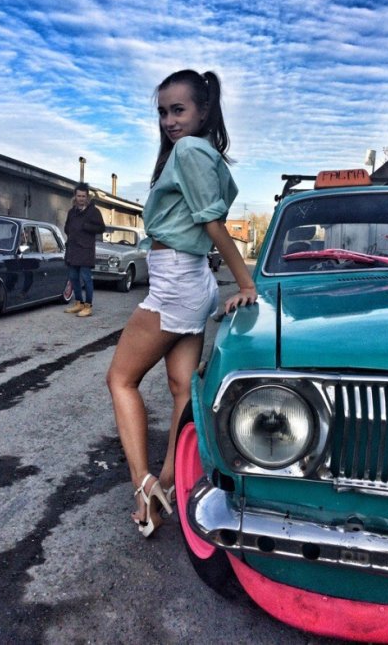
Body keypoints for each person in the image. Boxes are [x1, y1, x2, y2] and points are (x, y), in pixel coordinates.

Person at [106, 69, 257, 538]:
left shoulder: (189, 150)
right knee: (180, 389)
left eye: (179, 110)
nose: (169, 121)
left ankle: (143, 483)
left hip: (175, 283)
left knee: (120, 379)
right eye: (163, 113)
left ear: (204, 110)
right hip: (190, 281)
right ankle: (168, 485)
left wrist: (246, 282)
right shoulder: (207, 155)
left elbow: (212, 224)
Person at [64, 183, 105, 317]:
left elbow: (101, 228)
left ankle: (88, 306)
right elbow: (66, 227)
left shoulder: (94, 211)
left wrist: (86, 226)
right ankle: (79, 303)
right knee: (73, 277)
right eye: (79, 196)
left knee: (86, 278)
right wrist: (71, 233)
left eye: (83, 196)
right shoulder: (72, 212)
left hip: (86, 250)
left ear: (87, 197)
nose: (81, 198)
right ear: (75, 196)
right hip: (73, 250)